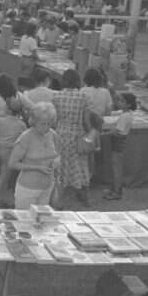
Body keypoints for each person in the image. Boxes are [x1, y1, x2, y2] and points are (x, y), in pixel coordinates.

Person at [51, 69, 96, 206]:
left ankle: (58, 201)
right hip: (77, 135)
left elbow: (54, 119)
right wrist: (91, 135)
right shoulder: (83, 97)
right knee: (81, 167)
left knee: (61, 168)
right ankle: (86, 199)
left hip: (60, 135)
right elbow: (86, 121)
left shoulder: (56, 97)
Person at [8, 102, 60, 209]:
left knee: (42, 222)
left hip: (47, 187)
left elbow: (57, 154)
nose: (46, 127)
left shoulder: (53, 135)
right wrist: (37, 168)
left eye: (49, 124)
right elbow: (12, 164)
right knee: (25, 221)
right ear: (34, 122)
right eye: (43, 124)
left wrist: (57, 161)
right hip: (28, 188)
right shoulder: (26, 137)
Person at [103, 92, 137, 202]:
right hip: (120, 141)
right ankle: (115, 189)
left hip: (118, 142)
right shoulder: (127, 114)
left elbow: (117, 132)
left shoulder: (124, 116)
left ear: (129, 104)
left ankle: (116, 192)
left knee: (116, 168)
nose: (119, 102)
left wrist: (104, 134)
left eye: (122, 101)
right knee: (116, 167)